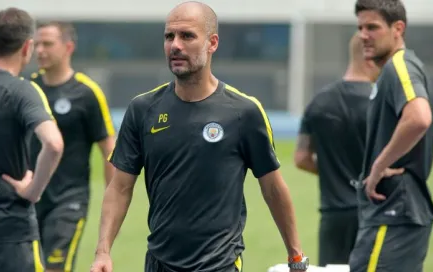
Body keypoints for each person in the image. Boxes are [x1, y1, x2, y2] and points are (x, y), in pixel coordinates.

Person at [90, 1, 308, 272]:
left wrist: (296, 257)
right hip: (158, 264)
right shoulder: (142, 109)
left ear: (212, 43)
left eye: (187, 36)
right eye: (169, 36)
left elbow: (273, 188)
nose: (175, 45)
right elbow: (120, 187)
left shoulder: (244, 112)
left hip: (220, 264)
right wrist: (102, 251)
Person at [349, 0, 433, 271]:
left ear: (398, 28)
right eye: (361, 27)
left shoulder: (400, 66)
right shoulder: (394, 70)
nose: (364, 35)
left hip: (393, 209)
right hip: (397, 211)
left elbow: (419, 117)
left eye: (372, 27)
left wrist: (378, 167)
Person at [26, 21, 116, 272]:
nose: (40, 50)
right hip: (29, 197)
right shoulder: (28, 88)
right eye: (37, 44)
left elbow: (109, 150)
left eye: (47, 44)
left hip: (69, 201)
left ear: (68, 47)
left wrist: (111, 202)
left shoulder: (87, 92)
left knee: (56, 267)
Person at [0, 7, 64, 272]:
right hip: (10, 232)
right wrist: (32, 191)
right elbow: (53, 144)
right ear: (27, 47)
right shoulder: (23, 91)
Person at [294, 33, 381, 266]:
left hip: (333, 215)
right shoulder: (381, 102)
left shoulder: (319, 102)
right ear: (371, 57)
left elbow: (301, 158)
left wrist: (335, 172)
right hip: (374, 211)